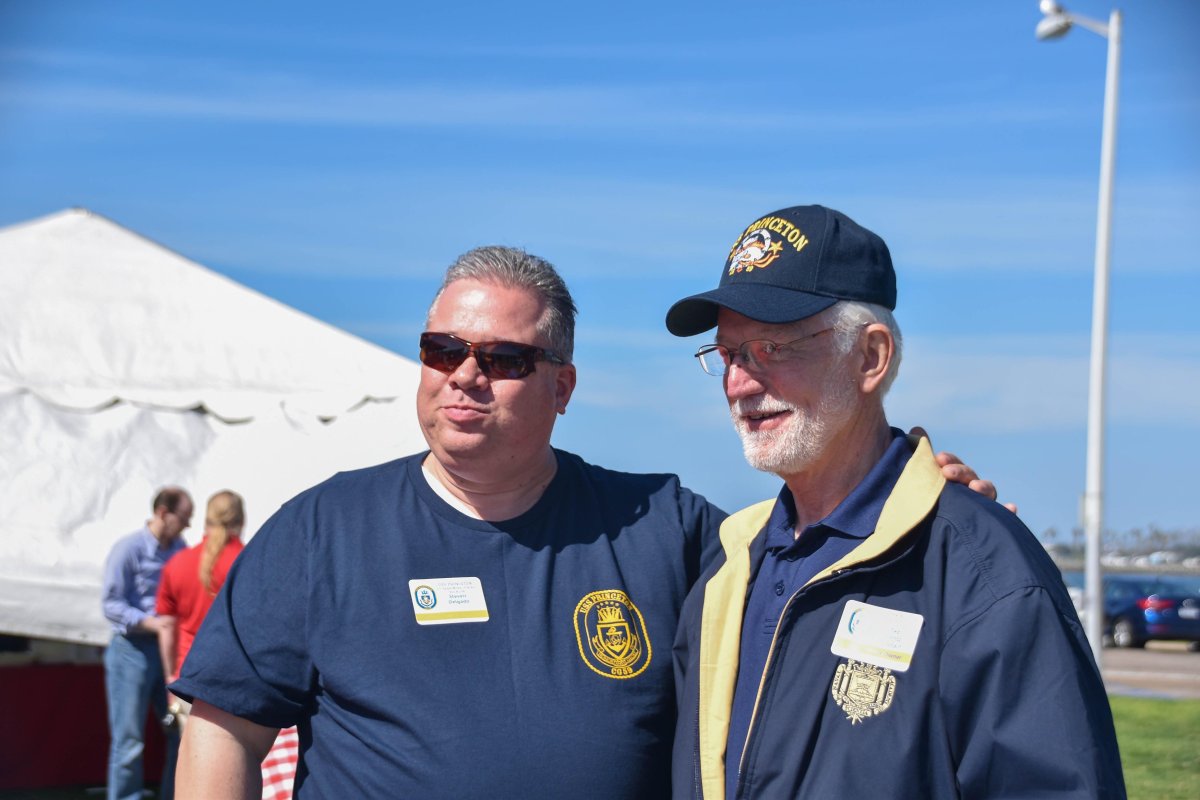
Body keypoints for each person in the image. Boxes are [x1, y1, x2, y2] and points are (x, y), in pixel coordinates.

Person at [171, 246, 997, 798]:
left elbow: (812, 572)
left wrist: (911, 506)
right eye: (442, 350)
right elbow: (224, 728)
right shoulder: (324, 531)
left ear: (562, 388)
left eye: (503, 360)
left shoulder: (663, 526)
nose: (465, 376)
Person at [665, 204, 1126, 799]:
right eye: (730, 355)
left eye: (771, 348)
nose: (739, 383)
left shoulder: (982, 570)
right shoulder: (729, 570)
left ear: (871, 357)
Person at [156, 490, 299, 800]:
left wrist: (169, 675)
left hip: (186, 679)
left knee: (184, 769)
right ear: (241, 519)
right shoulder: (251, 562)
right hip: (236, 689)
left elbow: (167, 627)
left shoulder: (177, 563)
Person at [101, 486, 192, 800]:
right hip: (132, 651)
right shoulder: (128, 549)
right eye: (184, 517)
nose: (188, 525)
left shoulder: (180, 549)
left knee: (179, 731)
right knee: (129, 741)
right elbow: (110, 604)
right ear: (163, 513)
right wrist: (151, 622)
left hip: (169, 651)